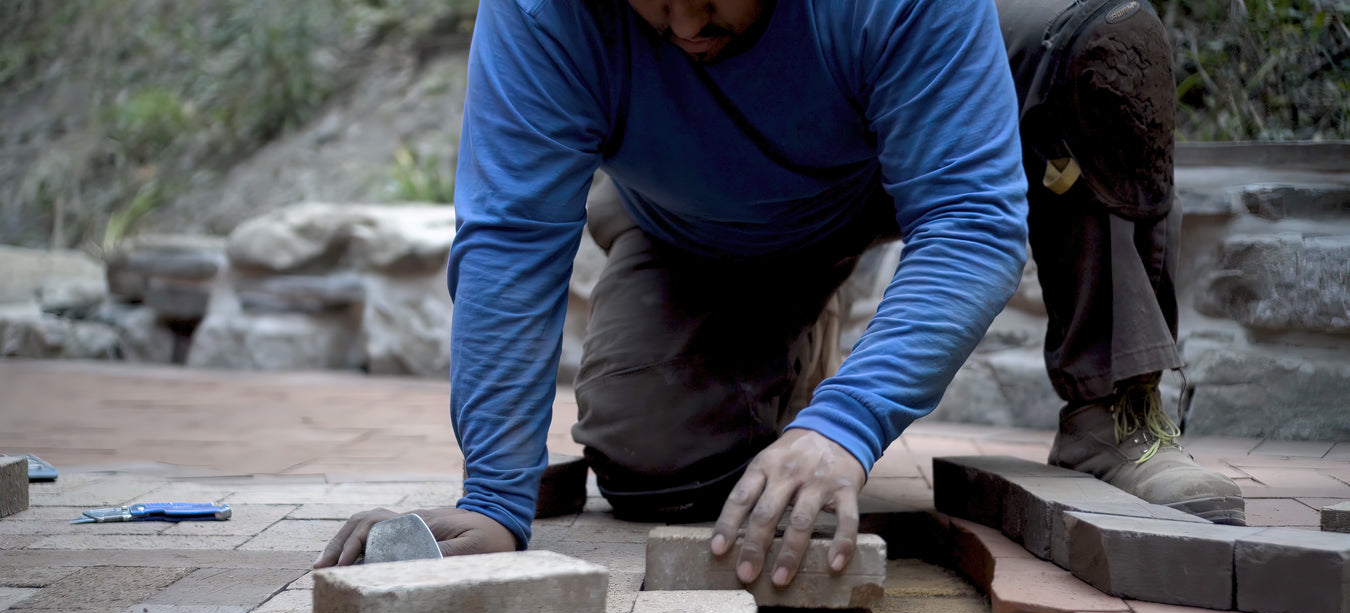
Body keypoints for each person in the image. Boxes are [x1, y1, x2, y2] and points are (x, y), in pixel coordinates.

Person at [316, 0, 1244, 581]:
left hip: (888, 155)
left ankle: (1117, 413)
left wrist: (847, 422)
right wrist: (492, 498)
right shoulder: (541, 11)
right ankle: (795, 335)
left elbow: (969, 222)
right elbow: (513, 243)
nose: (684, 24)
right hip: (692, 221)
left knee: (1098, 51)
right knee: (653, 473)